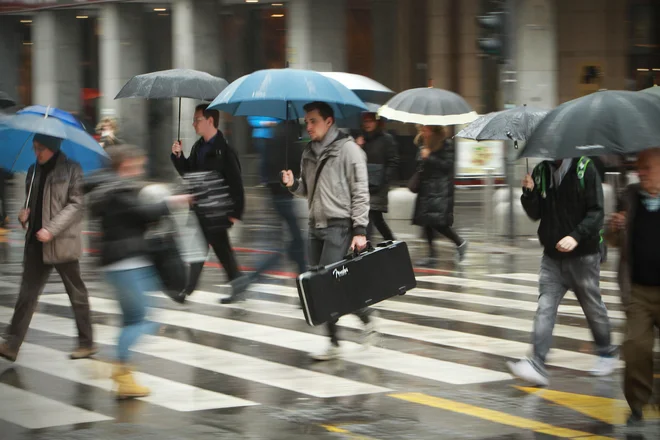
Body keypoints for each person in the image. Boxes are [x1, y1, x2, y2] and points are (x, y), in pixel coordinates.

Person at [88, 144, 190, 399]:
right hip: (126, 263)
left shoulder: (114, 189)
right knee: (144, 320)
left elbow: (140, 219)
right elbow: (142, 212)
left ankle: (125, 381)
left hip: (129, 261)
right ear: (125, 165)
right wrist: (171, 202)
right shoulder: (118, 191)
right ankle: (118, 365)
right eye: (136, 165)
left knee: (132, 320)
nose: (139, 169)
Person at [507, 156, 618, 386]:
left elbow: (596, 212)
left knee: (592, 306)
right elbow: (536, 212)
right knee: (545, 306)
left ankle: (607, 351)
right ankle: (537, 361)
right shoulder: (541, 171)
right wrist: (528, 193)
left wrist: (575, 237)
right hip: (552, 256)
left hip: (583, 255)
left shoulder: (584, 168)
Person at [281, 101, 377, 361]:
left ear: (329, 122)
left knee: (327, 285)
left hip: (339, 227)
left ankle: (361, 320)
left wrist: (359, 230)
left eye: (313, 121)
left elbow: (360, 192)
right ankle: (338, 339)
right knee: (320, 286)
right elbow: (306, 190)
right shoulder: (308, 152)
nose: (308, 126)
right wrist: (293, 184)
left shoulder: (349, 151)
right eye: (306, 121)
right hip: (315, 226)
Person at [0, 134, 95, 362]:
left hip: (61, 242)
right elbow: (32, 201)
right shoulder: (33, 171)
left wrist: (51, 229)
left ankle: (86, 343)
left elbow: (76, 204)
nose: (37, 153)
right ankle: (12, 344)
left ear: (53, 148)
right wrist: (24, 214)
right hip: (36, 242)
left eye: (40, 148)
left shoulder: (72, 169)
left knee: (76, 293)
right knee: (27, 294)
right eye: (34, 148)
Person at [606, 148, 660, 427]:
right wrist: (615, 226)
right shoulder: (629, 196)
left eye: (647, 168)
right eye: (639, 168)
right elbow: (610, 239)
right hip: (638, 289)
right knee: (636, 347)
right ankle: (637, 404)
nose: (641, 172)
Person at [170, 104, 245, 302]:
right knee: (202, 250)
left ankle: (189, 290)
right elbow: (188, 173)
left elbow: (236, 183)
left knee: (220, 251)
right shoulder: (198, 147)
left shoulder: (225, 150)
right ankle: (188, 289)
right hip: (200, 209)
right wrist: (178, 157)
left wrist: (235, 212)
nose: (194, 123)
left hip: (217, 211)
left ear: (210, 121)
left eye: (197, 119)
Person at [228, 120, 306, 300]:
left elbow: (263, 169)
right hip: (285, 198)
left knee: (291, 246)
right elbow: (299, 172)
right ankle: (304, 291)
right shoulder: (292, 141)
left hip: (274, 197)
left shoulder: (272, 138)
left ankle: (246, 282)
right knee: (296, 246)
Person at [412, 125, 467, 265]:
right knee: (426, 222)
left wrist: (429, 156)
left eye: (426, 129)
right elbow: (420, 162)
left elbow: (447, 166)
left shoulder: (446, 144)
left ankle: (460, 242)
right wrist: (422, 156)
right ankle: (431, 255)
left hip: (439, 189)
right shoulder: (423, 143)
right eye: (422, 130)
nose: (423, 132)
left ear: (434, 130)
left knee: (439, 223)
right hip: (426, 188)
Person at [357, 113, 399, 243]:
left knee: (370, 215)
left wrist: (384, 178)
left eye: (370, 121)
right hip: (363, 184)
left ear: (377, 122)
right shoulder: (361, 139)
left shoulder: (387, 139)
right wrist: (357, 147)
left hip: (378, 185)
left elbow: (394, 161)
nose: (367, 124)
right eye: (365, 121)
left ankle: (363, 248)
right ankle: (391, 242)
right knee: (376, 219)